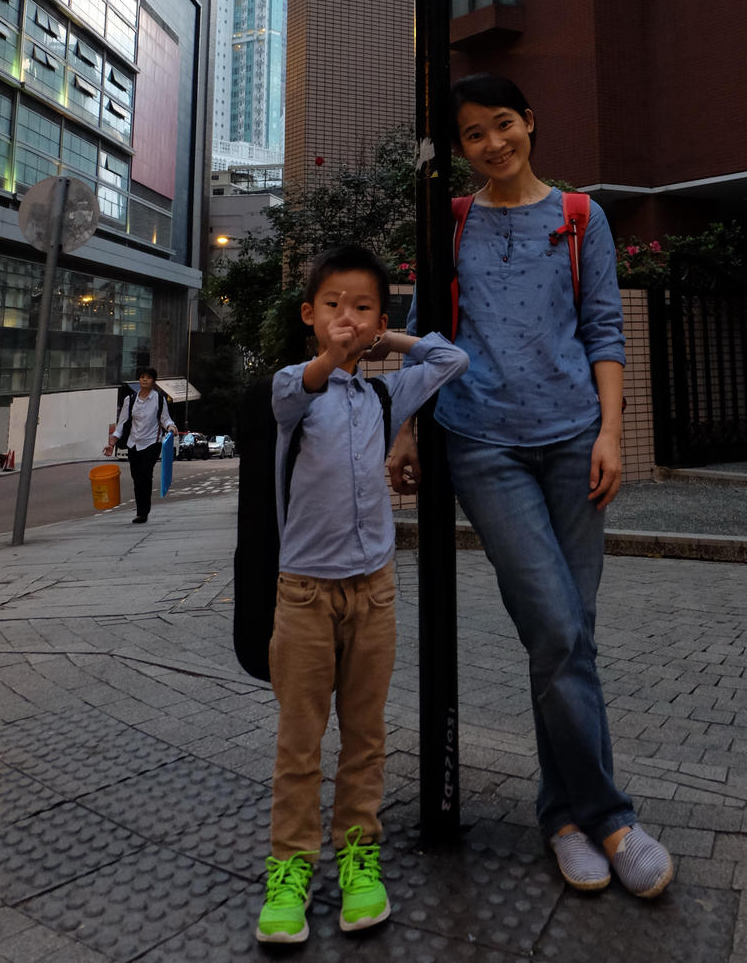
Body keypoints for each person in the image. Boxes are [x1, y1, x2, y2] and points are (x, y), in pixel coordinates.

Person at [394, 74, 674, 900]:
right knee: (553, 626)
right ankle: (611, 818)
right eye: (473, 134)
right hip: (483, 445)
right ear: (460, 149)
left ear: (530, 123)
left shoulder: (581, 217)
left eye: (503, 124)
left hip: (575, 441)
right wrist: (405, 428)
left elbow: (604, 331)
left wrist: (611, 434)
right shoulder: (453, 221)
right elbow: (425, 332)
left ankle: (563, 817)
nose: (493, 144)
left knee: (571, 636)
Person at [256, 242, 468, 946]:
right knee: (300, 740)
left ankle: (358, 856)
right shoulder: (295, 388)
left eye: (362, 306)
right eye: (333, 304)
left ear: (377, 318)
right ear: (309, 314)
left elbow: (450, 360)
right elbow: (298, 388)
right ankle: (290, 868)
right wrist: (334, 354)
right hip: (304, 596)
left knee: (366, 736)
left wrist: (390, 340)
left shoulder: (383, 394)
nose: (346, 316)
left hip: (374, 592)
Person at [103, 364, 177, 525]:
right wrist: (112, 443)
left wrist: (171, 427)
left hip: (152, 443)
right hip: (134, 444)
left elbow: (165, 419)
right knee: (137, 478)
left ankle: (143, 512)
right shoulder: (130, 400)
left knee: (145, 475)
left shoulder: (159, 399)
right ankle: (140, 510)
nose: (144, 380)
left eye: (148, 377)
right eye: (142, 377)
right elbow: (121, 424)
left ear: (153, 381)